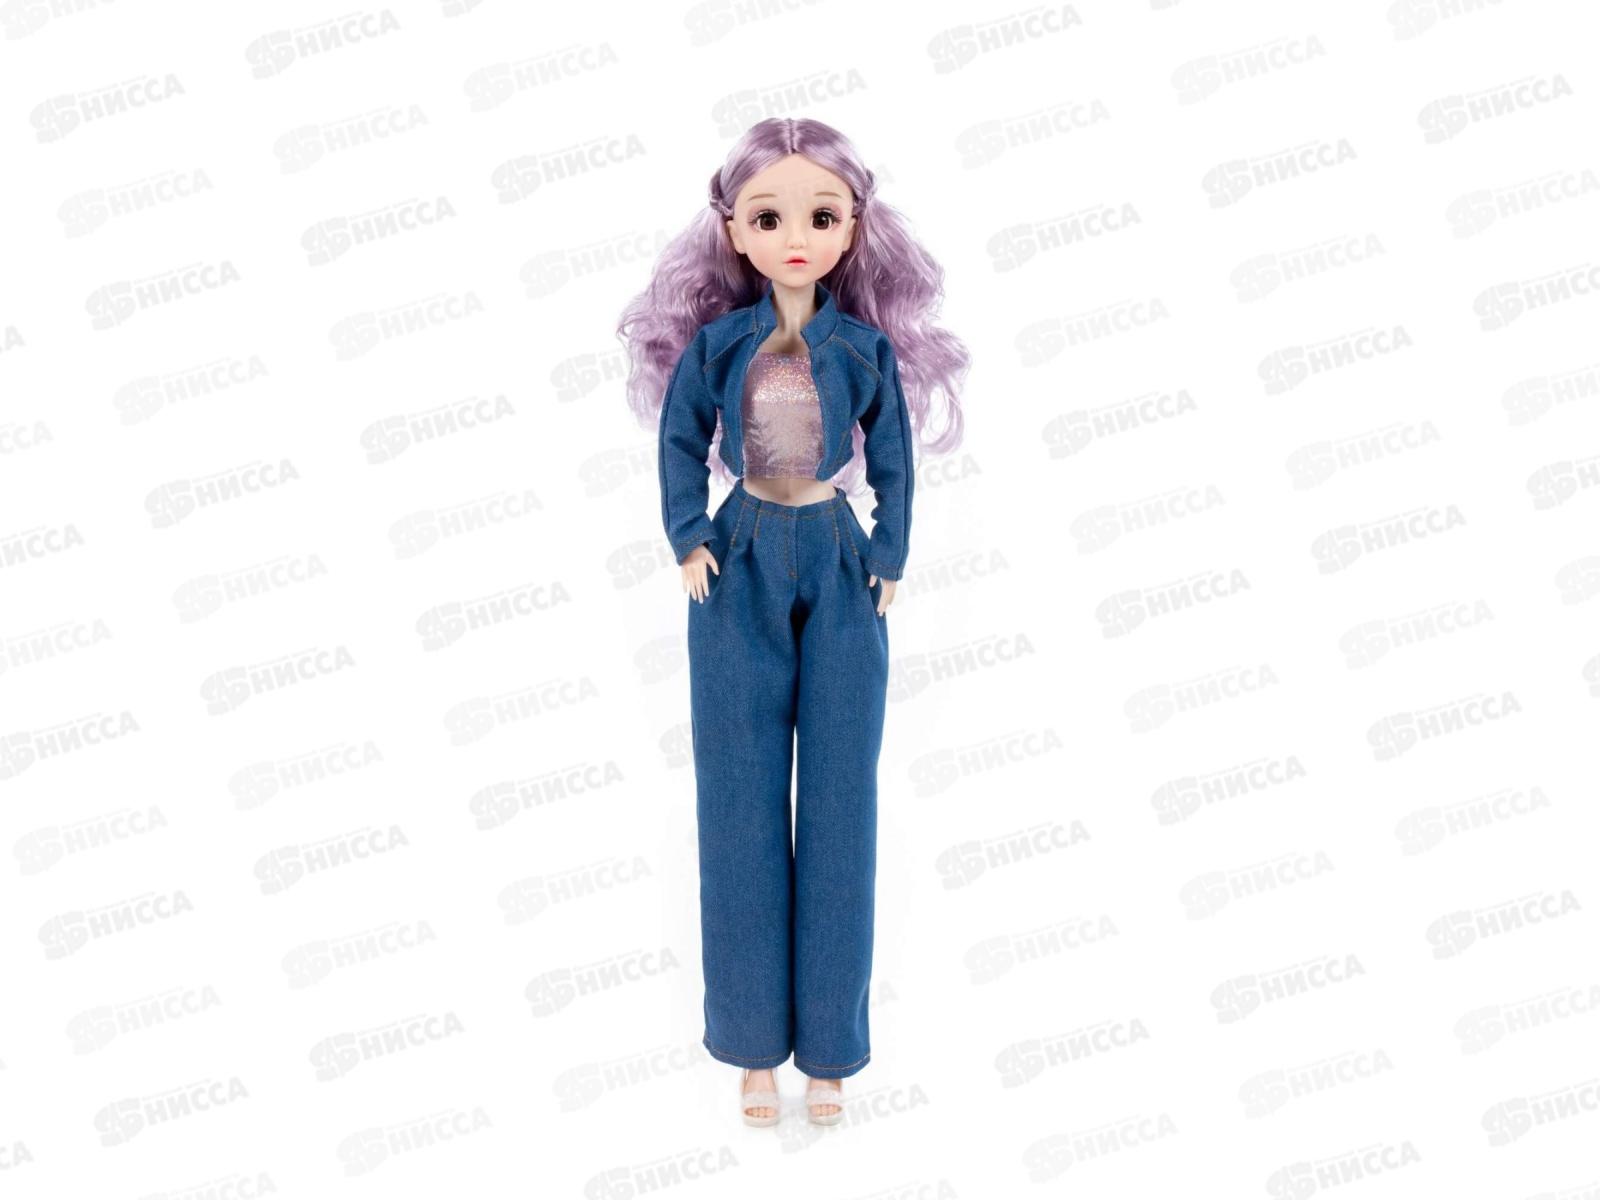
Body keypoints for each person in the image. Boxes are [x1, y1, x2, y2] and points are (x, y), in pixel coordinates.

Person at [617, 116, 969, 1127]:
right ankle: (750, 1049)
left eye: (822, 215)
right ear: (733, 230)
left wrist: (888, 552)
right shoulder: (718, 346)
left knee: (840, 803)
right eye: (768, 218)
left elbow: (892, 457)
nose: (796, 237)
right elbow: (681, 440)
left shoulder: (861, 348)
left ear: (854, 226)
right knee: (737, 800)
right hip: (737, 558)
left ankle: (830, 1051)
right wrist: (689, 535)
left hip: (838, 556)